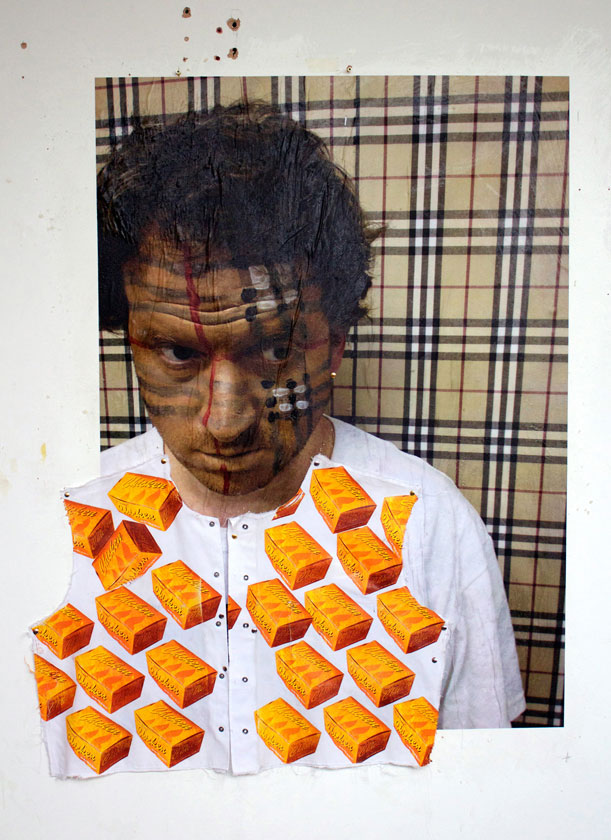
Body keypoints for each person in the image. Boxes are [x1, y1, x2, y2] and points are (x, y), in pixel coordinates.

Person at [33, 105, 525, 778]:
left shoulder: (428, 524)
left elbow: (483, 790)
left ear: (335, 346)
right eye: (178, 353)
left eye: (273, 350)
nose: (225, 421)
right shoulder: (56, 527)